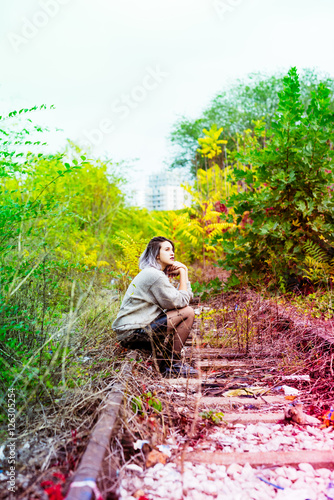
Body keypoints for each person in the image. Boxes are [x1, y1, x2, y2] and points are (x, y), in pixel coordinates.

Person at [112, 236, 198, 376]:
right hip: (133, 334)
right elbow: (183, 302)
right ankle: (172, 365)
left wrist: (183, 275)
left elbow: (179, 301)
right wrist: (184, 272)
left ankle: (169, 363)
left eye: (172, 250)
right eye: (167, 249)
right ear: (157, 255)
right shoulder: (154, 275)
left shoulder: (153, 273)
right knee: (188, 312)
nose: (172, 253)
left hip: (130, 333)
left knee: (185, 310)